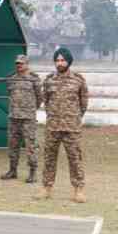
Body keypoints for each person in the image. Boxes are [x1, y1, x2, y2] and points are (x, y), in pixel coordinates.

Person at [36, 47, 89, 203]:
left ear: (68, 61)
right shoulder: (49, 80)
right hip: (53, 126)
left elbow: (83, 104)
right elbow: (45, 100)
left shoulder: (78, 80)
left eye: (62, 60)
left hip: (71, 127)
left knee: (75, 159)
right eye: (57, 60)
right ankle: (46, 188)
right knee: (49, 158)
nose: (60, 63)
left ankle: (78, 190)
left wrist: (73, 117)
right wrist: (53, 115)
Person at [1, 54, 42, 183]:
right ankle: (13, 170)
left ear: (27, 64)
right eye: (17, 63)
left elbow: (39, 97)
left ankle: (32, 172)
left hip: (28, 118)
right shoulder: (12, 79)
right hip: (14, 117)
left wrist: (31, 109)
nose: (19, 65)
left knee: (31, 145)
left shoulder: (33, 79)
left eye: (21, 63)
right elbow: (10, 94)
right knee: (12, 145)